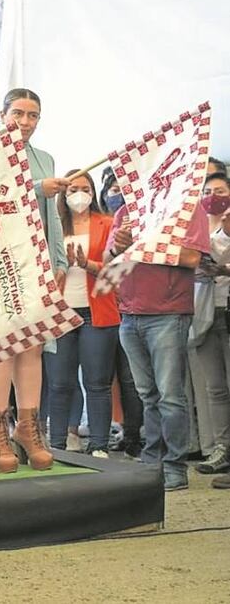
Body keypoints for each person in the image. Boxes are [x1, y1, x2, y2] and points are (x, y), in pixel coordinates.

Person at [0, 88, 68, 474]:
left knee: (32, 346)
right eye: (18, 113)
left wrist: (59, 259)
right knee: (0, 346)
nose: (25, 122)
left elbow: (54, 214)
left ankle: (29, 428)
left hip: (36, 263)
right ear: (2, 114)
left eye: (33, 115)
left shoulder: (44, 158)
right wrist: (34, 190)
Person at [106, 162, 210, 491]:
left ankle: (175, 466)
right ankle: (153, 461)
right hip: (130, 313)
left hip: (168, 313)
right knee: (148, 395)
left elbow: (191, 258)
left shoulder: (186, 208)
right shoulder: (124, 213)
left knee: (170, 396)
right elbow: (111, 261)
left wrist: (144, 241)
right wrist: (118, 247)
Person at [44, 171, 119, 458]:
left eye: (85, 188)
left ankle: (99, 445)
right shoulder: (52, 227)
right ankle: (58, 445)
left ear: (93, 192)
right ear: (63, 194)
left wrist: (87, 264)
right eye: (72, 188)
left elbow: (117, 273)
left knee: (97, 382)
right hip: (61, 313)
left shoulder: (108, 224)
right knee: (60, 382)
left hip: (97, 312)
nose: (79, 194)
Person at [187, 173, 230, 477]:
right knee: (215, 388)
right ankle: (222, 449)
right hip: (204, 313)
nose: (213, 195)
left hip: (227, 308)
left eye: (220, 190)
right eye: (208, 191)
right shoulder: (197, 225)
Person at [99, 167, 144, 457]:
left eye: (122, 189)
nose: (117, 195)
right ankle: (123, 430)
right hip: (111, 307)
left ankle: (137, 437)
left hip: (137, 305)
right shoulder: (117, 220)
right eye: (112, 190)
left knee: (135, 381)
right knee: (111, 378)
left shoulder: (139, 216)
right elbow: (108, 264)